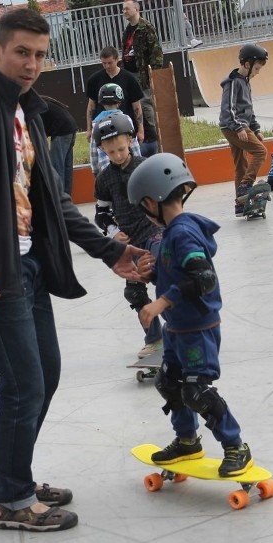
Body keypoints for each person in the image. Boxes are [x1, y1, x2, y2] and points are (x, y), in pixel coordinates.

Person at [0, 8, 148, 533]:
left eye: (40, 55)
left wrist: (108, 251)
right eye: (21, 52)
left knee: (44, 375)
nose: (31, 64)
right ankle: (15, 500)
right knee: (24, 382)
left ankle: (8, 476)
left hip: (27, 267)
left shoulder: (26, 111)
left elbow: (52, 200)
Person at [127, 152, 255, 478]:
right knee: (170, 382)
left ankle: (236, 446)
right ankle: (187, 441)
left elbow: (202, 279)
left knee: (196, 391)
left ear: (149, 201)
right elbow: (174, 274)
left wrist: (160, 303)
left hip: (198, 328)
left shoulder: (183, 233)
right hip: (177, 329)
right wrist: (148, 277)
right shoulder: (170, 234)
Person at [93, 112, 163, 359]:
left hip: (154, 234)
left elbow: (165, 200)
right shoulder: (104, 179)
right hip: (130, 245)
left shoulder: (145, 167)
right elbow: (101, 214)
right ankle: (155, 339)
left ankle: (183, 329)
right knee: (134, 292)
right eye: (110, 152)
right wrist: (113, 232)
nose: (117, 155)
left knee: (165, 279)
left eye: (121, 149)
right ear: (102, 149)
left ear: (131, 140)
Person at [219, 44, 269, 217]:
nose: (257, 72)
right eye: (256, 68)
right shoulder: (232, 82)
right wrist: (239, 127)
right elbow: (228, 108)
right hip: (233, 127)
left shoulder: (245, 83)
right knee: (261, 152)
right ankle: (245, 186)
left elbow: (249, 109)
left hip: (240, 126)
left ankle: (240, 205)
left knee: (241, 165)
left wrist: (255, 128)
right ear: (247, 65)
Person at [85, 46, 144, 144]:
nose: (107, 66)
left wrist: (141, 130)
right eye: (104, 63)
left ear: (117, 60)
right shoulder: (94, 80)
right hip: (103, 128)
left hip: (125, 127)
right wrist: (89, 129)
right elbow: (91, 106)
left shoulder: (129, 79)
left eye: (110, 63)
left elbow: (137, 107)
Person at [121, 0, 163, 137]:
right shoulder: (128, 30)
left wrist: (153, 74)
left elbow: (156, 52)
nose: (124, 11)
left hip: (143, 74)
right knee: (134, 105)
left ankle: (154, 135)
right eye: (123, 9)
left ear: (136, 9)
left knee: (145, 103)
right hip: (129, 73)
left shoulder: (146, 27)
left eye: (127, 9)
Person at [89, 83, 142, 177]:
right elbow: (133, 143)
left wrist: (95, 170)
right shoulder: (126, 119)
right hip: (127, 167)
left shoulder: (96, 123)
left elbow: (93, 149)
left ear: (101, 103)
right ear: (119, 102)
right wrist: (139, 161)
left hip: (106, 170)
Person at [40, 95, 78, 196]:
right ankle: (67, 199)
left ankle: (58, 198)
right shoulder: (42, 101)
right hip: (71, 127)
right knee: (66, 166)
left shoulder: (32, 107)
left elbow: (40, 136)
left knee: (57, 166)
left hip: (61, 130)